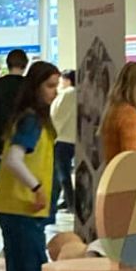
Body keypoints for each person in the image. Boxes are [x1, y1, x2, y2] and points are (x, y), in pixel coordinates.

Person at [0, 59, 60, 271]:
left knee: (15, 269)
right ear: (36, 87)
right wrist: (37, 188)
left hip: (13, 205)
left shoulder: (26, 118)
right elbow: (13, 159)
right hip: (24, 207)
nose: (55, 92)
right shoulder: (32, 121)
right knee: (36, 270)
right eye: (50, 86)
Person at [50, 69, 77, 214]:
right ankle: (65, 201)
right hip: (71, 138)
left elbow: (58, 116)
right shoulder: (76, 93)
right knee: (61, 172)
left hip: (62, 138)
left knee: (62, 172)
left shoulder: (68, 94)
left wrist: (51, 134)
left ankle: (70, 202)